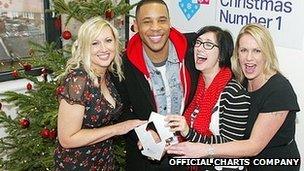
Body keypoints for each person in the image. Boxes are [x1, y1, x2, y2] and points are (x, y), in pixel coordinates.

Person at [166, 23, 301, 171]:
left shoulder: (279, 90)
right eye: (243, 50)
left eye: (257, 51)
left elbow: (253, 146)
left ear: (267, 53)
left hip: (275, 163)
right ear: (237, 53)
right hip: (245, 162)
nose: (249, 58)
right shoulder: (241, 79)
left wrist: (203, 149)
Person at [113, 0, 198, 170]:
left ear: (169, 23)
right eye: (147, 21)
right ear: (136, 26)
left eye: (161, 20)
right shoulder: (122, 65)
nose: (155, 27)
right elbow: (119, 111)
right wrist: (143, 131)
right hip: (145, 160)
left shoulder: (192, 50)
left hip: (187, 156)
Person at [53, 17, 145, 170]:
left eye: (108, 40)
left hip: (104, 159)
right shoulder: (78, 80)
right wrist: (118, 128)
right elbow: (67, 139)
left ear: (115, 43)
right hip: (78, 164)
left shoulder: (108, 75)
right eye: (95, 43)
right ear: (84, 47)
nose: (104, 48)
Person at [165, 26, 250, 170]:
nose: (199, 48)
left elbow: (230, 145)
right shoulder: (195, 85)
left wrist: (189, 133)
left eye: (208, 44)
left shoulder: (234, 93)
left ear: (221, 55)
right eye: (198, 42)